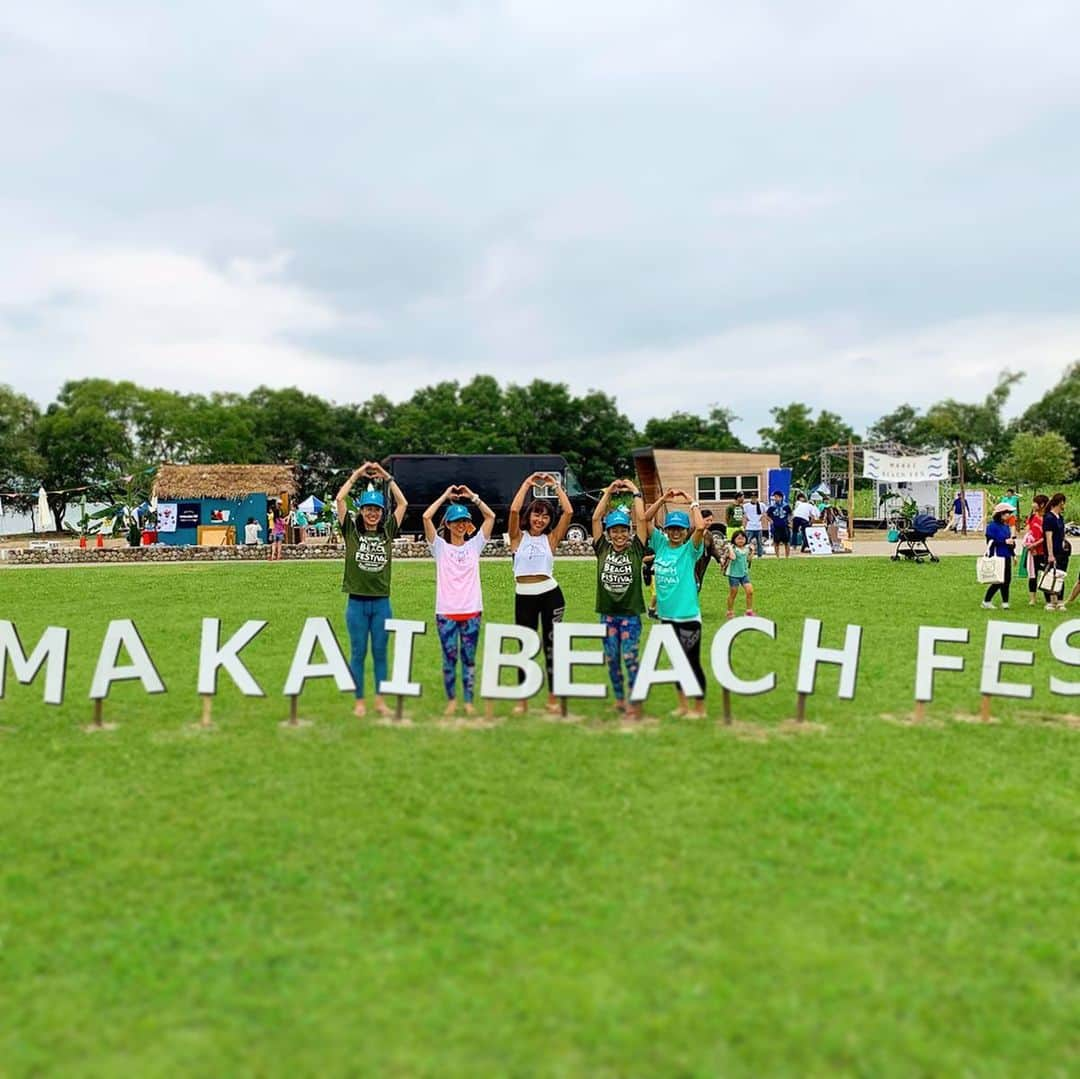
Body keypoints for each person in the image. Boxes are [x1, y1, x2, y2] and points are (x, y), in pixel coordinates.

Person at [336, 461, 408, 718]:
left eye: (376, 509)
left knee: (380, 652)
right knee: (358, 652)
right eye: (368, 508)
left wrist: (387, 477)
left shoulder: (388, 531)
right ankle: (359, 701)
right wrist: (356, 474)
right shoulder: (351, 532)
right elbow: (340, 499)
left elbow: (403, 504)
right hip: (356, 603)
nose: (372, 513)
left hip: (381, 603)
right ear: (362, 511)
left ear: (381, 512)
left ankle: (379, 700)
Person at [424, 484, 495, 717]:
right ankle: (452, 699)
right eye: (456, 522)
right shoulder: (439, 548)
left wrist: (472, 496)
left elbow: (490, 516)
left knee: (469, 659)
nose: (461, 525)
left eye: (464, 522)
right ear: (448, 524)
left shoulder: (475, 545)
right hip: (446, 612)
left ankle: (468, 700)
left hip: (472, 611)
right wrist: (445, 496)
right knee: (449, 659)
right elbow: (426, 516)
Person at [509, 471, 574, 714]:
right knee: (524, 646)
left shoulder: (551, 538)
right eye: (537, 514)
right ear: (530, 515)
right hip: (524, 596)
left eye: (546, 516)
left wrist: (556, 486)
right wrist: (527, 483)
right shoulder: (518, 537)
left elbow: (568, 512)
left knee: (551, 645)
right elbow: (514, 511)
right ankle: (522, 700)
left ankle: (552, 698)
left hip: (550, 595)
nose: (541, 519)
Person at [644, 488, 707, 718]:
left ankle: (699, 708)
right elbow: (645, 518)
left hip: (688, 616)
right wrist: (662, 499)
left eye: (680, 529)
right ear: (667, 530)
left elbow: (700, 527)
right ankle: (683, 706)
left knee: (691, 662)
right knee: (676, 663)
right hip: (666, 616)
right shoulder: (660, 544)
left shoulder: (690, 550)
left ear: (684, 531)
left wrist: (692, 502)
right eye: (672, 528)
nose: (675, 533)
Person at [592, 478, 648, 718]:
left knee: (630, 658)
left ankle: (635, 702)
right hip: (607, 616)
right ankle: (620, 699)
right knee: (612, 660)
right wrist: (608, 492)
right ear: (609, 532)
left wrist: (635, 492)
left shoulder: (636, 549)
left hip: (630, 616)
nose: (619, 535)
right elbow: (595, 519)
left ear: (629, 531)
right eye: (614, 530)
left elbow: (643, 520)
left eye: (623, 530)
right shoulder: (602, 548)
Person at [980, 502, 1016, 610]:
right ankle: (986, 600)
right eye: (1007, 513)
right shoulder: (992, 526)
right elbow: (990, 541)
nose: (1009, 515)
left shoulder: (1006, 526)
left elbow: (1010, 541)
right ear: (1001, 514)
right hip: (997, 555)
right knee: (998, 580)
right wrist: (1004, 541)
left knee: (1007, 580)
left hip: (1006, 555)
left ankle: (1005, 602)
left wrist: (1013, 554)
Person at [1042, 492, 1068, 611]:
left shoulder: (1060, 518)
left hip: (1061, 550)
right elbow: (1048, 537)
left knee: (1060, 575)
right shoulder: (1049, 518)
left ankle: (1060, 601)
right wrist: (1050, 554)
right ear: (1060, 502)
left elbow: (1061, 534)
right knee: (1050, 575)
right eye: (1063, 503)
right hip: (1053, 551)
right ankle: (1050, 601)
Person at [722, 529, 756, 618]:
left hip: (744, 574)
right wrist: (729, 548)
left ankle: (749, 611)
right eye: (738, 539)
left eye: (743, 538)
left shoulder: (746, 549)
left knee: (750, 591)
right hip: (734, 575)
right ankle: (729, 611)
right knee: (733, 593)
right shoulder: (732, 549)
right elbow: (733, 557)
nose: (741, 540)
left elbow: (748, 559)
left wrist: (752, 551)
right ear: (734, 540)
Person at [1022, 494, 1049, 606]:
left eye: (1035, 502)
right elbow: (1027, 531)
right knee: (1032, 575)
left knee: (1045, 574)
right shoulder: (1032, 517)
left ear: (1042, 504)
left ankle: (1048, 598)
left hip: (1043, 551)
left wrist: (1035, 544)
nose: (1032, 504)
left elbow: (1047, 536)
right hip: (1032, 552)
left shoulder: (1047, 518)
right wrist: (1029, 544)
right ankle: (1032, 598)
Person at [694, 509, 727, 591]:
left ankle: (694, 602)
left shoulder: (709, 534)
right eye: (707, 520)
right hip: (692, 562)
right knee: (694, 583)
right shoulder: (692, 531)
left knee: (699, 585)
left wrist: (720, 559)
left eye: (711, 520)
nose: (709, 522)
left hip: (703, 562)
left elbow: (712, 549)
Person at [766, 491, 791, 558]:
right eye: (775, 497)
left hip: (785, 526)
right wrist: (770, 520)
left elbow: (790, 514)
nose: (775, 498)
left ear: (781, 498)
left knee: (787, 542)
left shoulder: (786, 506)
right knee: (776, 542)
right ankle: (777, 556)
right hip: (776, 527)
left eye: (777, 497)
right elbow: (766, 515)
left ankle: (787, 557)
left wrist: (790, 522)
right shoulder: (772, 507)